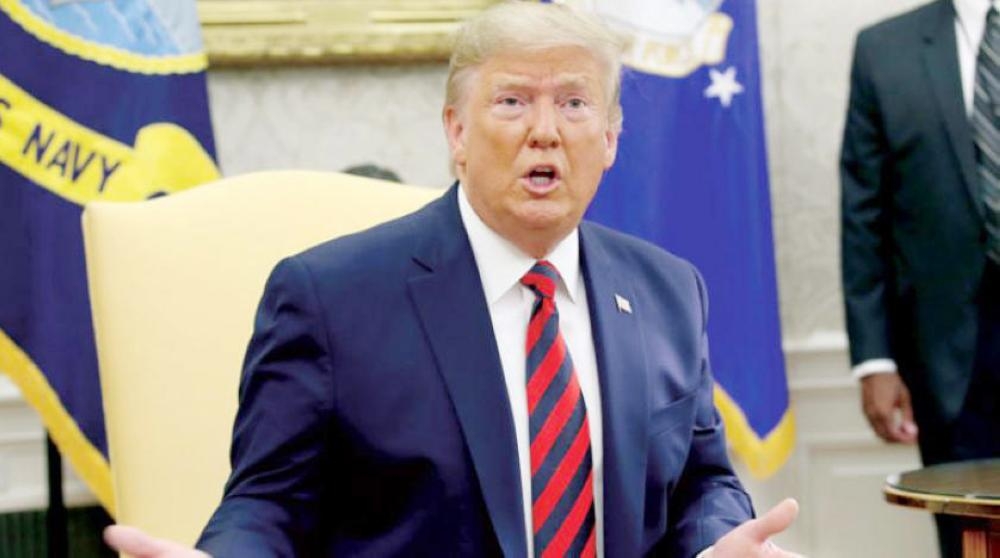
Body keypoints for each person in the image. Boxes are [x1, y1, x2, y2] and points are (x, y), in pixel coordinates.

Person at [104, 2, 801, 556]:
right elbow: (268, 504)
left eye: (574, 104)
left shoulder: (667, 291)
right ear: (457, 133)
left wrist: (717, 544)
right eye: (512, 102)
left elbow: (701, 482)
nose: (546, 131)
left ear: (612, 138)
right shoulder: (329, 299)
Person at [841, 0, 1000, 556]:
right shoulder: (884, 50)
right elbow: (863, 213)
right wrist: (875, 360)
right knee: (968, 540)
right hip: (950, 359)